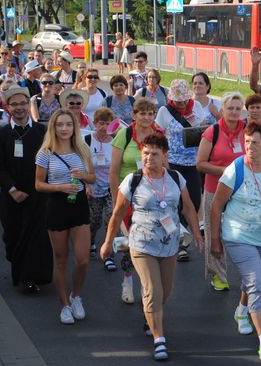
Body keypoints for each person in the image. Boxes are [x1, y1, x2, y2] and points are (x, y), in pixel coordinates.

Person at [100, 132, 203, 361]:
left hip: (170, 245)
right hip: (142, 244)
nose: (148, 158)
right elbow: (117, 214)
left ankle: (149, 311)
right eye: (145, 153)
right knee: (153, 291)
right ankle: (159, 339)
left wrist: (197, 234)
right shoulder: (133, 180)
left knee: (165, 292)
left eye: (154, 154)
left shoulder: (176, 178)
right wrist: (107, 242)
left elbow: (188, 207)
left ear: (165, 155)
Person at [209, 122, 261, 361]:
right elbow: (216, 206)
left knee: (255, 279)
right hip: (238, 236)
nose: (249, 147)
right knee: (256, 281)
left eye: (255, 142)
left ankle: (241, 309)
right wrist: (215, 239)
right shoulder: (235, 170)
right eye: (246, 142)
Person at [35, 109, 96, 324]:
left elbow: (93, 178)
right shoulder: (46, 152)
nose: (64, 129)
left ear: (74, 127)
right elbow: (39, 185)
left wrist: (83, 177)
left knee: (83, 260)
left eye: (68, 125)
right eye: (59, 125)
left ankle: (76, 296)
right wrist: (61, 187)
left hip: (78, 204)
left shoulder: (83, 149)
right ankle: (64, 305)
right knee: (60, 260)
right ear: (53, 127)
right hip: (57, 206)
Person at [109, 98, 165, 302]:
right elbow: (114, 171)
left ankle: (147, 284)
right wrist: (116, 201)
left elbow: (165, 166)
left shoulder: (159, 135)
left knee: (149, 241)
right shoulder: (124, 135)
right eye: (142, 113)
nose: (147, 117)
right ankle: (128, 278)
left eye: (151, 113)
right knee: (132, 242)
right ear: (134, 115)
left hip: (152, 197)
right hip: (128, 197)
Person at [0, 86, 52, 293]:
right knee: (12, 235)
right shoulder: (3, 134)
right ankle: (18, 262)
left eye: (23, 103)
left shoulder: (42, 131)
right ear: (8, 107)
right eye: (15, 104)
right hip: (10, 195)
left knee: (35, 236)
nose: (20, 108)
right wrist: (12, 189)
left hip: (38, 194)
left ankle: (30, 278)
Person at [196, 92, 245, 291]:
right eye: (230, 108)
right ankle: (218, 275)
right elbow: (200, 164)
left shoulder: (247, 131)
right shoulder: (212, 132)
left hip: (241, 191)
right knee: (213, 232)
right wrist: (225, 171)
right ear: (222, 109)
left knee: (243, 233)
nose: (234, 112)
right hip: (214, 189)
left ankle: (249, 273)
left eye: (237, 108)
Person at [155, 79, 204, 262]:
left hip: (194, 162)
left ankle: (184, 234)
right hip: (174, 163)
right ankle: (181, 242)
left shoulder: (197, 107)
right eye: (178, 100)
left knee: (194, 201)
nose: (182, 103)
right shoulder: (164, 111)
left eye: (184, 99)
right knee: (176, 202)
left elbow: (204, 130)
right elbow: (159, 134)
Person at [85, 108, 115, 259]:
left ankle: (107, 249)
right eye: (101, 123)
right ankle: (90, 243)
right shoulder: (87, 140)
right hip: (93, 186)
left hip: (110, 187)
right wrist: (86, 185)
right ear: (95, 123)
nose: (104, 127)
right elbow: (80, 164)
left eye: (108, 124)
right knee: (94, 221)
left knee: (111, 218)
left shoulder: (115, 141)